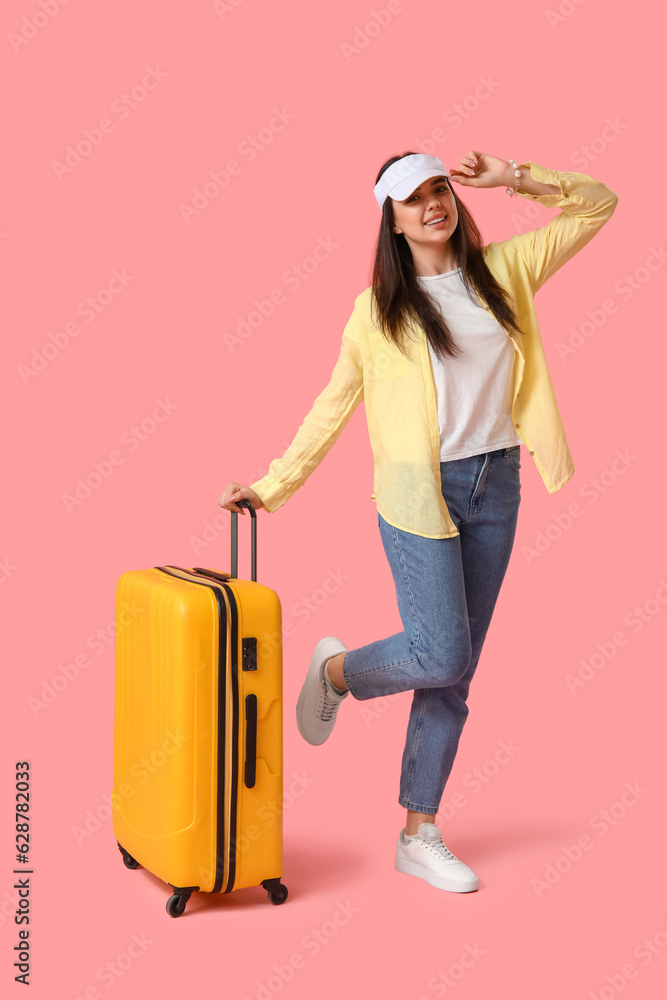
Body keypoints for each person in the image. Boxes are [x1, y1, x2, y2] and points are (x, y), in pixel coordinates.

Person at [219, 150, 618, 893]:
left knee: (455, 671)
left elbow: (598, 204)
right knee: (440, 654)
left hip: (496, 484)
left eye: (439, 189)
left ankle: (417, 832)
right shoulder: (375, 312)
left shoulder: (505, 271)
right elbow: (332, 406)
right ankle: (337, 671)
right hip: (417, 497)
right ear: (391, 221)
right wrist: (272, 487)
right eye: (413, 198)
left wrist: (516, 179)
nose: (432, 203)